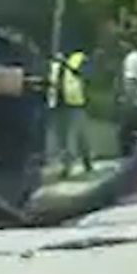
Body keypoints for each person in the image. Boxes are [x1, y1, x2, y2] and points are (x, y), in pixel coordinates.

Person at [49, 50, 93, 178]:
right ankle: (66, 166)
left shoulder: (79, 58)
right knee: (63, 136)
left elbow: (85, 74)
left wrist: (65, 63)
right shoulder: (54, 63)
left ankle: (86, 158)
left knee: (79, 135)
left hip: (75, 102)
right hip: (58, 103)